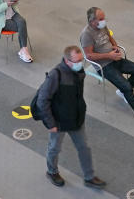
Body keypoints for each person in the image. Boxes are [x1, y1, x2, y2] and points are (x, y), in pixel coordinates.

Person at [37, 46, 107, 188]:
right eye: (76, 61)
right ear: (66, 60)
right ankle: (52, 171)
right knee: (54, 148)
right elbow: (42, 100)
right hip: (59, 121)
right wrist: (51, 123)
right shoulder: (55, 75)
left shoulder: (78, 71)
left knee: (84, 148)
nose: (80, 63)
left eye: (81, 60)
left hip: (76, 119)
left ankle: (89, 177)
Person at [79, 7, 134, 123]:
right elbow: (89, 56)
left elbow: (110, 38)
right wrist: (109, 55)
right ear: (92, 21)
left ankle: (123, 92)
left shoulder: (102, 26)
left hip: (115, 58)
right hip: (104, 66)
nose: (104, 21)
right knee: (127, 87)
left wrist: (115, 46)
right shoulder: (86, 35)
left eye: (104, 18)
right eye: (101, 19)